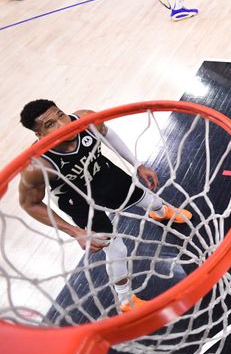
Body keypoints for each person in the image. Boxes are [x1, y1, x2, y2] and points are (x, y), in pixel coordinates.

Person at [17, 100, 192, 312]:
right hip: (77, 200)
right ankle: (125, 299)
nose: (62, 125)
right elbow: (30, 204)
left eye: (60, 115)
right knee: (116, 249)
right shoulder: (38, 166)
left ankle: (161, 213)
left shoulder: (85, 118)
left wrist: (137, 164)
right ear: (39, 135)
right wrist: (75, 232)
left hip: (102, 174)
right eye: (50, 124)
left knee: (151, 199)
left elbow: (107, 133)